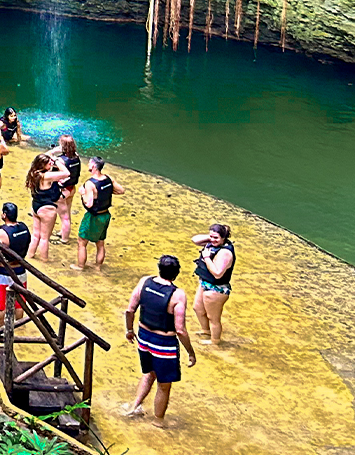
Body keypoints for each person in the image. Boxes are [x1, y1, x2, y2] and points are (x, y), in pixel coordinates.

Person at [123, 255, 198, 425]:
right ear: (176, 273)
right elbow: (180, 329)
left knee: (149, 373)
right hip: (163, 345)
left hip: (143, 338)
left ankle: (134, 406)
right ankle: (158, 420)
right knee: (164, 385)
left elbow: (129, 310)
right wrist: (191, 353)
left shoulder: (144, 282)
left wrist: (129, 330)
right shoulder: (178, 295)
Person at [73, 157, 124, 272]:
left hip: (93, 216)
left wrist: (82, 193)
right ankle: (98, 266)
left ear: (94, 167)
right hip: (105, 215)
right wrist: (108, 191)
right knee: (100, 243)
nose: (88, 165)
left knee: (82, 242)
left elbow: (89, 203)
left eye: (90, 163)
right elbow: (121, 190)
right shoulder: (108, 179)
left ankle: (80, 266)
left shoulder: (90, 184)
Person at [191, 223, 236, 345]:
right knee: (198, 308)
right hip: (205, 283)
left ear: (224, 238)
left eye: (216, 238)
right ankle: (206, 331)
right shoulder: (211, 242)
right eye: (211, 237)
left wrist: (206, 257)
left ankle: (215, 341)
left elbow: (217, 273)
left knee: (213, 318)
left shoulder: (225, 253)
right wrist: (212, 236)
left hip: (217, 288)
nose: (212, 240)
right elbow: (194, 239)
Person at [24, 152, 71, 262]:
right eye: (48, 163)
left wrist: (51, 159)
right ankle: (44, 260)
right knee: (45, 238)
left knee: (36, 235)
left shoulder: (33, 174)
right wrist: (57, 162)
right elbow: (66, 173)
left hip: (35, 206)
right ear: (42, 165)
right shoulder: (46, 176)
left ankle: (29, 256)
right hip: (47, 209)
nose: (50, 163)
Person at [0, 203, 32, 313]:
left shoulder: (1, 233)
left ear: (4, 215)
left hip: (4, 271)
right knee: (19, 303)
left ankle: (0, 329)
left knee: (1, 305)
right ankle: (18, 327)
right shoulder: (24, 228)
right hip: (20, 269)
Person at [54, 135, 82, 244]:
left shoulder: (61, 160)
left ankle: (64, 239)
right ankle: (63, 232)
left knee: (64, 217)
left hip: (62, 190)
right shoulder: (76, 156)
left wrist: (53, 153)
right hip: (72, 188)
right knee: (67, 213)